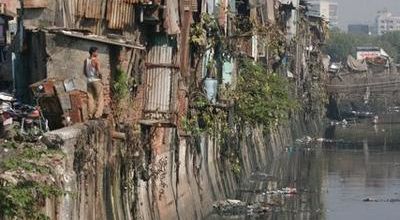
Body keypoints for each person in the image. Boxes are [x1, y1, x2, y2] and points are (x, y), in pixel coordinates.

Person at [85, 47, 104, 119]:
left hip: (89, 81)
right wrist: (102, 80)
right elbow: (99, 72)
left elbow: (84, 72)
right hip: (96, 81)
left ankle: (90, 114)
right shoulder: (96, 60)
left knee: (90, 98)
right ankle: (97, 115)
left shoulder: (86, 60)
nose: (97, 53)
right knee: (100, 98)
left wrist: (89, 77)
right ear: (93, 53)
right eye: (97, 52)